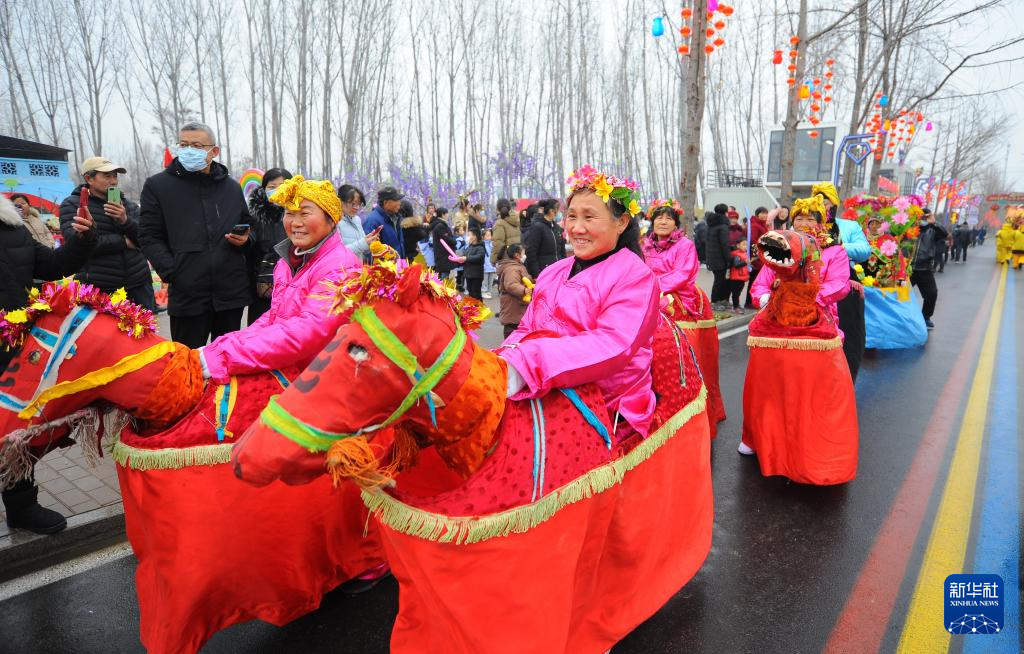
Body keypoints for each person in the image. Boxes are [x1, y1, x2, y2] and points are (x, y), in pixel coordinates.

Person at [499, 166, 660, 439]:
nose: (576, 228)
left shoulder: (636, 276)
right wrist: (501, 361)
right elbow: (526, 328)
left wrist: (525, 366)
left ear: (621, 223)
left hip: (606, 400)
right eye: (571, 216)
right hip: (543, 382)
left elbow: (612, 345)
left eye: (589, 217)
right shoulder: (553, 271)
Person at [199, 176, 361, 381]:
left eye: (305, 213)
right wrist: (223, 345)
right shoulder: (288, 260)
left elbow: (309, 330)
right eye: (289, 213)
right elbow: (275, 316)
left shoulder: (342, 267)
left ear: (331, 219)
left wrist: (226, 356)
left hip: (318, 380)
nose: (296, 222)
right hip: (289, 370)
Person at [1, 194, 95, 534]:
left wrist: (82, 239)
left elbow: (53, 265)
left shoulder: (11, 225)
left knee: (15, 429)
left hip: (11, 346)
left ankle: (21, 505)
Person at [139, 122, 253, 348]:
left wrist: (247, 239)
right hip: (187, 293)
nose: (189, 150)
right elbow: (149, 235)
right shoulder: (158, 186)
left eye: (197, 146)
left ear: (214, 151)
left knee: (226, 358)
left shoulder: (230, 187)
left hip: (230, 293)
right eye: (184, 145)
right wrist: (173, 271)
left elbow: (249, 225)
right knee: (187, 359)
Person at [641, 201, 726, 435]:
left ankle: (690, 412)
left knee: (687, 355)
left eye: (668, 218)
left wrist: (652, 287)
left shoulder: (685, 245)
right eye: (659, 217)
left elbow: (683, 273)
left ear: (676, 223)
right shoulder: (644, 245)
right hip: (647, 297)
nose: (663, 221)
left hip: (678, 299)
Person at [750, 195, 850, 344]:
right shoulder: (781, 248)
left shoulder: (834, 251)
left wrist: (806, 300)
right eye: (799, 219)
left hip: (817, 318)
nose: (804, 224)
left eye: (810, 219)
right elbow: (760, 285)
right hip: (778, 315)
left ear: (821, 223)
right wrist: (768, 299)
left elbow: (839, 284)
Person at [58, 156, 155, 311]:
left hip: (139, 284)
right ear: (89, 179)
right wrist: (123, 242)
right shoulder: (74, 205)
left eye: (115, 176)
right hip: (100, 288)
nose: (114, 181)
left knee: (145, 326)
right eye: (107, 176)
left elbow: (146, 238)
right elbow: (76, 244)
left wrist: (125, 220)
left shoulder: (128, 205)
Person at [813, 181, 871, 381]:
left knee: (850, 334)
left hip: (845, 282)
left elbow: (865, 251)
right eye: (818, 201)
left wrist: (839, 246)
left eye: (826, 202)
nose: (823, 206)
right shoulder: (807, 223)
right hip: (813, 284)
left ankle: (846, 381)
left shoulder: (849, 226)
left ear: (834, 204)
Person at [247, 168, 292, 324]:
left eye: (282, 186)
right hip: (262, 284)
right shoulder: (255, 215)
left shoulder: (298, 214)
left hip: (292, 284)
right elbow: (249, 245)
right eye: (272, 187)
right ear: (264, 189)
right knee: (260, 328)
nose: (277, 190)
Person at [910, 210, 947, 330]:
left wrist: (934, 222)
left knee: (932, 294)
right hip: (908, 268)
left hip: (925, 268)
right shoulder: (909, 227)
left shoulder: (933, 230)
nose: (923, 219)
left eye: (926, 217)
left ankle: (925, 317)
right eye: (921, 216)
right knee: (898, 294)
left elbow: (944, 234)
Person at [523, 198, 565, 278]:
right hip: (544, 271)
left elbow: (561, 249)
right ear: (552, 211)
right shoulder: (538, 227)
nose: (559, 212)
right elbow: (531, 252)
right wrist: (537, 274)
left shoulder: (556, 228)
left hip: (558, 271)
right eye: (558, 210)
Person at [497, 243, 531, 338]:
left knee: (516, 328)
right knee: (511, 329)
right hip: (513, 305)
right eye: (523, 253)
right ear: (517, 255)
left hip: (517, 304)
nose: (525, 255)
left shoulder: (518, 266)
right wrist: (524, 290)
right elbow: (510, 285)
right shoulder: (512, 269)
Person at [336, 184, 377, 262]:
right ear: (341, 202)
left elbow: (363, 250)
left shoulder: (357, 220)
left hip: (357, 267)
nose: (357, 208)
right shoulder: (335, 222)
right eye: (353, 204)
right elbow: (338, 253)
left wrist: (370, 242)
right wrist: (363, 243)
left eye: (359, 204)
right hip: (342, 268)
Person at [362, 186, 405, 259]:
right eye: (396, 200)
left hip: (397, 264)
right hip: (384, 265)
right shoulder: (372, 221)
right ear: (386, 202)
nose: (399, 203)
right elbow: (369, 252)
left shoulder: (396, 218)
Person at [704, 204, 731, 312]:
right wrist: (728, 258)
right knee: (719, 280)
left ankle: (719, 300)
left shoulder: (711, 224)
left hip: (712, 257)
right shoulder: (723, 226)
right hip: (720, 258)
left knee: (719, 279)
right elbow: (724, 244)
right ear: (725, 212)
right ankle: (715, 301)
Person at [450, 229, 486, 300]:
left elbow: (479, 257)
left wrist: (466, 258)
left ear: (475, 236)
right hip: (468, 274)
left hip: (476, 275)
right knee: (471, 293)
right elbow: (464, 255)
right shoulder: (469, 246)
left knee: (476, 294)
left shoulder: (480, 247)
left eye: (469, 235)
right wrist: (459, 259)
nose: (468, 237)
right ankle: (472, 306)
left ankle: (479, 306)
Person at [746, 207, 770, 308]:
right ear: (757, 214)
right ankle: (749, 302)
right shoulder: (755, 225)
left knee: (756, 280)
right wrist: (759, 251)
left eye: (766, 213)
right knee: (753, 280)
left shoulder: (762, 225)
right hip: (756, 257)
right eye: (762, 213)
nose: (764, 215)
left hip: (761, 256)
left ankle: (752, 301)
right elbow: (752, 241)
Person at [429, 206, 458, 280]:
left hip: (443, 254)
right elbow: (446, 238)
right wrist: (455, 242)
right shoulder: (440, 226)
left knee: (444, 273)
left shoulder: (440, 224)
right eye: (447, 213)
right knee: (444, 276)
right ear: (443, 214)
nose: (448, 215)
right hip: (443, 254)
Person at [490, 198, 520, 264]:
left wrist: (494, 260)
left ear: (497, 209)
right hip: (517, 257)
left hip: (506, 259)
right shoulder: (516, 220)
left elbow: (498, 244)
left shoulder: (499, 223)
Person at [728, 239, 749, 313]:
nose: (745, 246)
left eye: (746, 245)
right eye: (743, 244)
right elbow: (736, 265)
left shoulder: (745, 254)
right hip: (736, 277)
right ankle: (735, 307)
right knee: (735, 293)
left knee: (738, 292)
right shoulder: (736, 254)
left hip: (742, 277)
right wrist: (745, 262)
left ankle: (737, 305)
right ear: (738, 245)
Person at [482, 229, 496, 299]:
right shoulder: (482, 244)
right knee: (485, 280)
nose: (489, 237)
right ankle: (484, 292)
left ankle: (489, 291)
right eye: (487, 235)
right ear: (483, 236)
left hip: (492, 265)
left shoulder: (492, 244)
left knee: (491, 280)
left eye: (490, 235)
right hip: (485, 265)